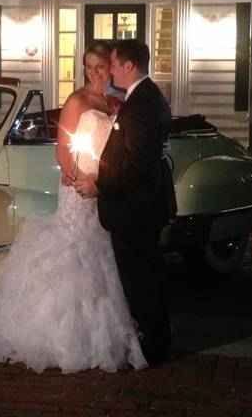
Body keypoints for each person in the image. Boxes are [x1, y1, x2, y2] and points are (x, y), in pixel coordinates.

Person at [0, 40, 147, 373]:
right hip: (79, 189)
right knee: (76, 252)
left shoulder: (117, 103)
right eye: (89, 65)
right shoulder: (77, 101)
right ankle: (64, 336)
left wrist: (105, 183)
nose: (94, 71)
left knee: (107, 253)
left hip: (107, 189)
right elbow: (63, 148)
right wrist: (78, 178)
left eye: (100, 65)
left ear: (112, 66)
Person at [73, 39, 176, 363]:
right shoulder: (144, 98)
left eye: (114, 64)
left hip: (135, 207)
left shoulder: (142, 103)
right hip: (138, 204)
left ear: (129, 66)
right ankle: (152, 337)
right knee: (142, 277)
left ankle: (153, 345)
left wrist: (101, 186)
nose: (110, 69)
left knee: (140, 280)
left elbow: (137, 164)